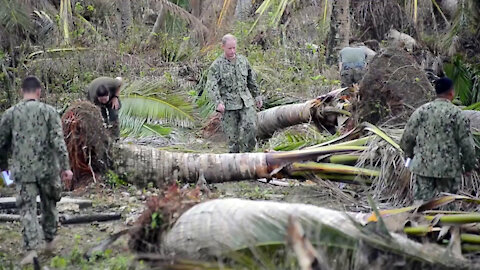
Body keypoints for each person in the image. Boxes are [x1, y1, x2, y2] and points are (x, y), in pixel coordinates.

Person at [0, 76, 73, 265]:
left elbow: (2, 145)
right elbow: (58, 141)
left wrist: (3, 169)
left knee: (27, 209)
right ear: (39, 91)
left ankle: (31, 249)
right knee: (49, 204)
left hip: (23, 171)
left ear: (22, 92)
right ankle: (50, 241)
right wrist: (66, 167)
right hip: (47, 169)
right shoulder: (49, 112)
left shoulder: (10, 114)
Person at [400, 77, 476, 201]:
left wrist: (409, 156)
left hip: (423, 167)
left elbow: (407, 139)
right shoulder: (457, 115)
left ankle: (421, 220)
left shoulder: (421, 112)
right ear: (452, 93)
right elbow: (467, 146)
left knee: (421, 208)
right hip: (449, 170)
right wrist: (468, 167)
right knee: (447, 207)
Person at [205, 34, 263, 153]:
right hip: (229, 105)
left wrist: (257, 96)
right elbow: (212, 85)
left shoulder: (243, 61)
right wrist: (218, 102)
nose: (232, 51)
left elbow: (251, 80)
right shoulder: (217, 66)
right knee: (233, 138)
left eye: (234, 48)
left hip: (245, 101)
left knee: (251, 126)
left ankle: (248, 155)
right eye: (229, 48)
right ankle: (234, 162)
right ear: (223, 47)